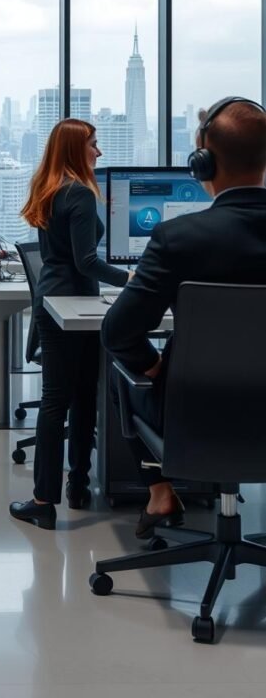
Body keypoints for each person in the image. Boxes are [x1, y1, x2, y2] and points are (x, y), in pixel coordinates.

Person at [101, 97, 266, 539]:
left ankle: (160, 493)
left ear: (203, 164)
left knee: (122, 375)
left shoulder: (180, 238)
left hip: (194, 415)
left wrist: (155, 369)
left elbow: (117, 333)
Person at [9, 119, 130, 530]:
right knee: (68, 401)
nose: (99, 152)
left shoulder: (52, 187)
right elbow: (87, 261)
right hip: (70, 305)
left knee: (68, 400)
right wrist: (132, 280)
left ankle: (67, 489)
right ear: (78, 150)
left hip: (61, 301)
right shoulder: (78, 193)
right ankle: (56, 494)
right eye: (95, 145)